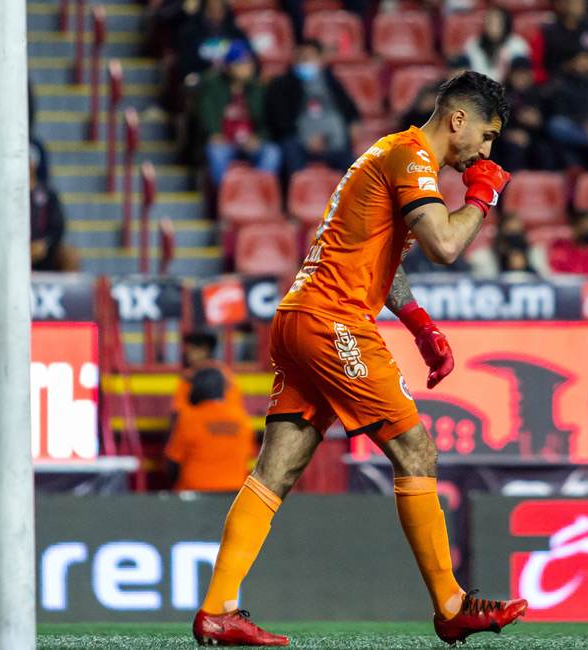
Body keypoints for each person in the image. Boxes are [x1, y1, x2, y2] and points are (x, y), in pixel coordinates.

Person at [192, 71, 524, 646]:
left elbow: (381, 262)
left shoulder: (395, 156)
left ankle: (218, 609)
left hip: (302, 317)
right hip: (332, 320)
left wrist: (420, 325)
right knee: (416, 448)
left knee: (278, 469)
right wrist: (483, 196)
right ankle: (450, 604)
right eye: (487, 136)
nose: (486, 151)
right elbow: (445, 244)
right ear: (457, 120)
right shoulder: (411, 156)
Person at [265, 39, 361, 182]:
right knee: (290, 151)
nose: (304, 62)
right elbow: (280, 122)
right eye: (300, 57)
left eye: (309, 57)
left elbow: (350, 108)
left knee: (353, 167)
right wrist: (305, 140)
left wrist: (354, 122)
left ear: (320, 59)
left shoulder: (331, 82)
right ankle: (297, 197)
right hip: (299, 142)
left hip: (333, 143)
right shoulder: (282, 84)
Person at [198, 40, 281, 185]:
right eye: (241, 64)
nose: (247, 68)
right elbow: (207, 113)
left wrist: (258, 137)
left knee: (272, 152)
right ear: (229, 67)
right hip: (225, 141)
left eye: (249, 64)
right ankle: (226, 195)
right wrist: (214, 133)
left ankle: (258, 191)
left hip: (250, 141)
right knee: (216, 151)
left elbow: (266, 120)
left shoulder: (257, 89)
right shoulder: (214, 86)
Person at [162, 368, 256, 492]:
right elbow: (248, 454)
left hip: (195, 491)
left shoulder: (189, 418)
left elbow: (174, 462)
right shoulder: (242, 418)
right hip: (235, 492)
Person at [493, 57, 558, 171]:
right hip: (506, 143)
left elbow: (550, 125)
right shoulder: (499, 95)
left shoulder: (540, 95)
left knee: (545, 150)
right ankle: (501, 185)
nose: (522, 78)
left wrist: (538, 122)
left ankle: (547, 185)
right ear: (510, 75)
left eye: (525, 74)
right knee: (513, 149)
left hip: (533, 140)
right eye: (518, 75)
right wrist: (508, 134)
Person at [532, 0, 588, 84]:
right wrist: (568, 67)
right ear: (559, 4)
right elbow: (535, 70)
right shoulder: (546, 33)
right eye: (573, 1)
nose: (579, 4)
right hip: (558, 89)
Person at [29, 148, 79, 271]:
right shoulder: (7, 197)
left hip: (43, 252)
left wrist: (44, 244)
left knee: (70, 254)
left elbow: (58, 227)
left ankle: (72, 290)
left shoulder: (47, 194)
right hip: (14, 251)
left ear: (34, 165)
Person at [174, 330, 244, 415]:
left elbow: (179, 410)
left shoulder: (190, 375)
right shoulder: (225, 373)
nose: (186, 353)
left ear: (203, 351)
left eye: (191, 349)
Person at [465, 6, 532, 83]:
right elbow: (476, 73)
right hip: (481, 89)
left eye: (498, 23)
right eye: (490, 22)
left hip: (511, 90)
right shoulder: (474, 44)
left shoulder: (517, 44)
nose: (493, 27)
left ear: (506, 23)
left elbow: (523, 77)